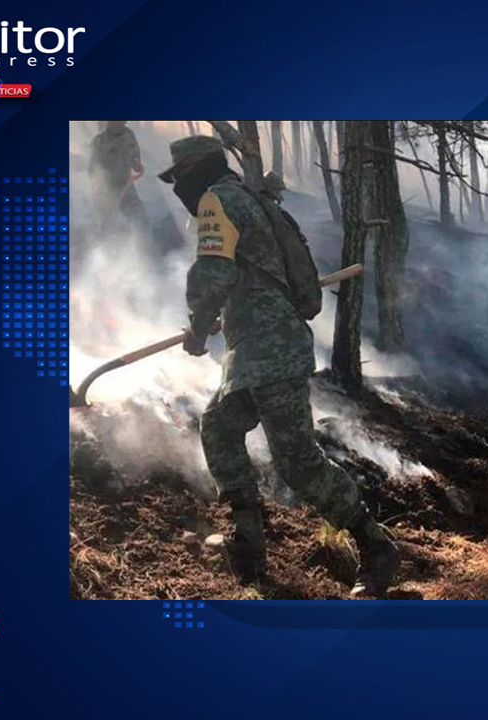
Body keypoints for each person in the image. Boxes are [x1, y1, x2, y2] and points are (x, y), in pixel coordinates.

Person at [157, 135, 399, 598]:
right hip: (256, 351)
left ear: (196, 171)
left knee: (298, 461)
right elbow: (250, 276)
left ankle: (376, 547)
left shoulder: (215, 201)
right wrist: (222, 317)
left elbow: (214, 271)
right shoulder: (247, 199)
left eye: (178, 179)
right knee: (219, 428)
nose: (177, 189)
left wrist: (198, 324)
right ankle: (247, 543)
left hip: (268, 352)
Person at [89, 121, 146, 232]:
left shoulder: (129, 134)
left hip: (126, 183)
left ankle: (144, 242)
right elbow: (93, 168)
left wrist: (136, 164)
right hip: (108, 188)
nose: (122, 123)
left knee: (139, 218)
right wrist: (97, 190)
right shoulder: (99, 141)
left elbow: (135, 155)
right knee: (108, 221)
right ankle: (106, 245)